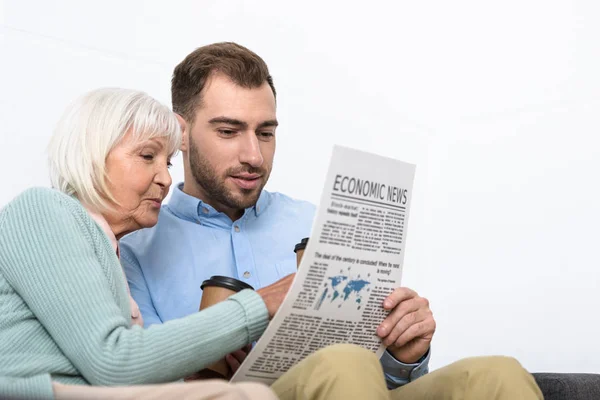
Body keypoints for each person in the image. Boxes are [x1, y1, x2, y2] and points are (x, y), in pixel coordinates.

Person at [120, 43, 543, 399]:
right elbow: (144, 375)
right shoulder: (136, 245)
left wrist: (402, 353)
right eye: (229, 131)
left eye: (265, 132)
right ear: (180, 133)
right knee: (343, 364)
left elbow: (382, 376)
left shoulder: (316, 221)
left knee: (497, 376)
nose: (254, 155)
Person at [0, 87, 403, 400]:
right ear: (91, 154)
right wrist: (262, 303)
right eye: (147, 157)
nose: (163, 177)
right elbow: (114, 361)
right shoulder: (46, 208)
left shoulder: (107, 248)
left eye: (168, 162)